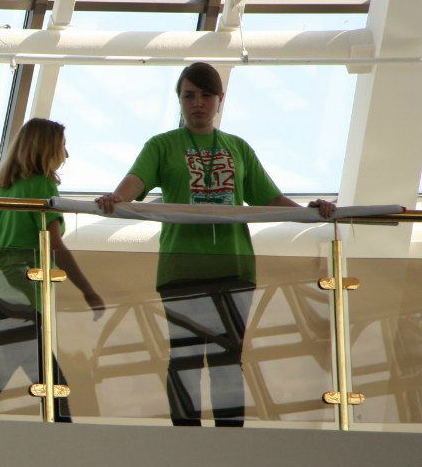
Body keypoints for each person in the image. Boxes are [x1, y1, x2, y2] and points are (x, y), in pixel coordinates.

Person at [95, 62, 335, 426]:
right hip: (182, 270)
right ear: (179, 99)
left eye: (206, 95)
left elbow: (269, 199)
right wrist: (115, 198)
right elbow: (133, 185)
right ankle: (187, 439)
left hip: (233, 268)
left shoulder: (237, 148)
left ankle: (228, 441)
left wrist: (310, 212)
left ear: (220, 99)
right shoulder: (162, 145)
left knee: (229, 359)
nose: (197, 103)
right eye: (189, 95)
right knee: (185, 359)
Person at [0, 117, 104, 421]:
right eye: (62, 146)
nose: (67, 154)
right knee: (51, 386)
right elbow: (55, 246)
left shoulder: (0, 192)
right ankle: (64, 438)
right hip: (23, 295)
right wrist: (88, 291)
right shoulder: (41, 186)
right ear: (46, 148)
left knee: (2, 377)